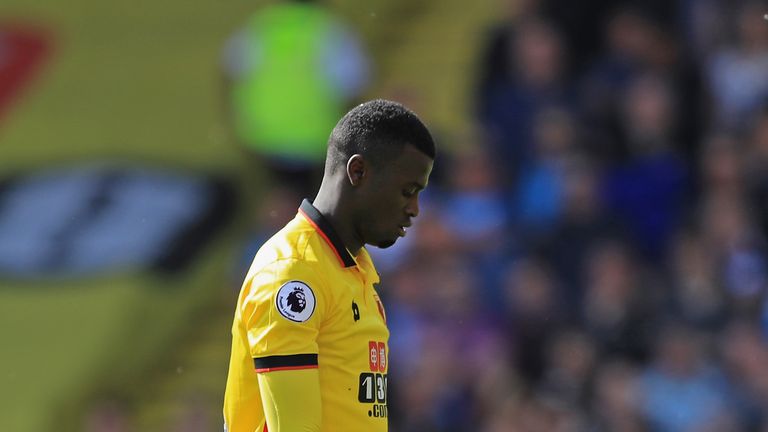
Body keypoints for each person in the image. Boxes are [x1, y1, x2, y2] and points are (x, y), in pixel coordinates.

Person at [223, 99, 436, 432]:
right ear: (358, 172)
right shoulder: (293, 273)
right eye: (407, 191)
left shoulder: (356, 273)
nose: (415, 209)